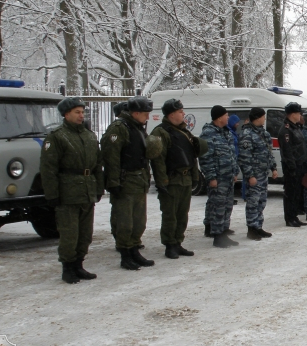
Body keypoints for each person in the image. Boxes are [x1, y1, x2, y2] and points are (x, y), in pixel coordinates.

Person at [40, 97, 105, 284]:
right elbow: (48, 168)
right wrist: (52, 194)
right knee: (70, 233)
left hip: (87, 191)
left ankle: (79, 264)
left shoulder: (89, 136)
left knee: (85, 233)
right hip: (68, 192)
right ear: (66, 114)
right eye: (77, 112)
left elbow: (97, 164)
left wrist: (98, 187)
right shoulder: (57, 137)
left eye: (82, 112)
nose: (81, 115)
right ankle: (67, 267)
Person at [101, 96, 159, 271]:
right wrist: (113, 182)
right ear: (136, 113)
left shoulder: (137, 128)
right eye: (145, 114)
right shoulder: (119, 128)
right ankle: (126, 253)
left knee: (138, 221)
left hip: (138, 180)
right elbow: (111, 158)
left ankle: (134, 249)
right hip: (125, 182)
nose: (148, 117)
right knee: (125, 221)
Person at [150, 99, 208, 259]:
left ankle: (178, 242)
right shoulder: (160, 132)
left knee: (182, 214)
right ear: (171, 114)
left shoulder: (184, 132)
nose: (183, 114)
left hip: (185, 179)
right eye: (180, 111)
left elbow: (192, 155)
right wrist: (162, 182)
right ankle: (169, 245)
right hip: (171, 180)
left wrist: (194, 176)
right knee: (170, 214)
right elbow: (158, 160)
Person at [200, 105, 240, 248]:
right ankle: (217, 235)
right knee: (218, 206)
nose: (228, 117)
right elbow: (205, 157)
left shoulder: (226, 133)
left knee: (227, 205)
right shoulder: (208, 134)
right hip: (217, 177)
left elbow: (232, 154)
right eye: (226, 115)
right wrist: (211, 177)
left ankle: (223, 231)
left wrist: (235, 172)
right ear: (218, 117)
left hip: (228, 177)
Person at [238, 107, 278, 239]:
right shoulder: (247, 134)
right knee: (253, 202)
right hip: (254, 174)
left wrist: (273, 168)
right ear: (257, 117)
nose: (264, 118)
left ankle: (259, 226)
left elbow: (269, 153)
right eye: (263, 116)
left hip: (263, 173)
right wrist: (250, 175)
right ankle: (252, 228)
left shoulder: (263, 133)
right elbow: (244, 157)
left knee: (261, 201)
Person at [278, 102, 307, 228]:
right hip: (292, 166)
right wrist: (292, 166)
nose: (300, 115)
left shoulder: (295, 128)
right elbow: (287, 150)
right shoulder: (286, 130)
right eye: (298, 113)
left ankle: (294, 215)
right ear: (292, 114)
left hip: (299, 164)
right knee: (290, 193)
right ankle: (289, 217)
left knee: (296, 192)